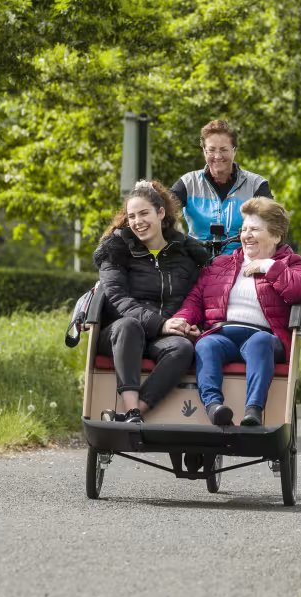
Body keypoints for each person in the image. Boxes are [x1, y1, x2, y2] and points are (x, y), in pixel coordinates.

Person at [168, 197, 301, 426]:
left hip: (263, 338)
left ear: (275, 235)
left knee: (259, 342)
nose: (246, 235)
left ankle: (253, 411)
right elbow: (195, 299)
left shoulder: (290, 264)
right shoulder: (221, 264)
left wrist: (269, 267)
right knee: (206, 345)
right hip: (222, 334)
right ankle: (214, 407)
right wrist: (181, 319)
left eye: (255, 229)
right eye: (244, 229)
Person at [92, 180, 208, 424]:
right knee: (128, 325)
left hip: (159, 338)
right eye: (132, 216)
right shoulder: (116, 250)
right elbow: (117, 298)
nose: (137, 221)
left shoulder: (185, 258)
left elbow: (195, 298)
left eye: (144, 213)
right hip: (119, 335)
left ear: (161, 213)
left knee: (183, 348)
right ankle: (131, 407)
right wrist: (161, 324)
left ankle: (136, 414)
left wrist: (189, 324)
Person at [169, 119, 273, 254]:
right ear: (204, 151)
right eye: (211, 150)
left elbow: (274, 224)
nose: (218, 156)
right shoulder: (188, 183)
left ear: (234, 150)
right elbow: (162, 211)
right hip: (197, 263)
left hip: (242, 264)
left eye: (224, 150)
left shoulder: (257, 185)